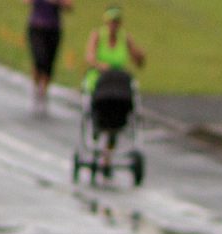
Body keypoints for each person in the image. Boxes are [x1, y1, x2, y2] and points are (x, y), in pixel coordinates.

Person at [83, 6, 146, 172]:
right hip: (100, 81)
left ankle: (107, 156)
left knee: (119, 111)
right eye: (111, 22)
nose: (114, 25)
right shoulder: (98, 35)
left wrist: (140, 55)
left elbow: (137, 59)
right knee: (99, 108)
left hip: (118, 85)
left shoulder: (125, 38)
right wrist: (100, 65)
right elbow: (89, 57)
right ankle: (97, 134)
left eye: (117, 22)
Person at [25, 0, 73, 116]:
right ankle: (36, 88)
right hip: (37, 26)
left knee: (49, 63)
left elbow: (69, 6)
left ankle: (43, 92)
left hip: (53, 28)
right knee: (38, 59)